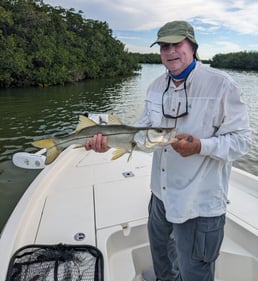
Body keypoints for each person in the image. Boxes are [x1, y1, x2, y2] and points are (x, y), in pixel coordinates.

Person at [85, 20, 252, 281]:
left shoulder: (222, 85)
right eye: (164, 46)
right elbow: (140, 135)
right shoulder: (155, 88)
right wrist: (109, 142)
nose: (170, 51)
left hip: (199, 203)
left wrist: (201, 146)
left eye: (176, 44)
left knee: (194, 271)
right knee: (162, 260)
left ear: (192, 46)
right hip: (159, 197)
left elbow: (243, 141)